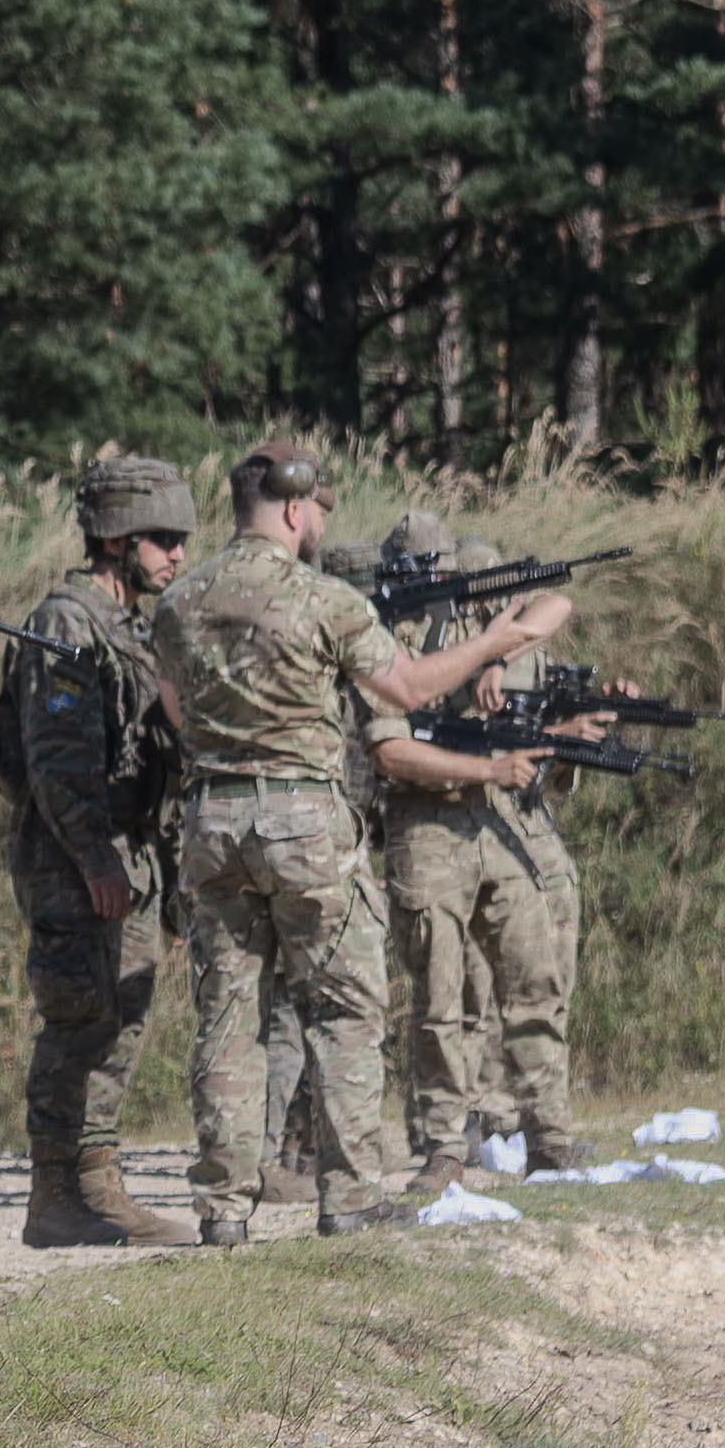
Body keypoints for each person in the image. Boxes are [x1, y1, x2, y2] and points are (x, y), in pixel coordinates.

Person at [156, 450, 564, 1244]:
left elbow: (173, 707)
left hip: (212, 820)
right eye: (321, 513)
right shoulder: (324, 598)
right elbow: (407, 690)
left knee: (228, 1015)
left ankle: (222, 1212)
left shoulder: (178, 600)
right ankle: (346, 1200)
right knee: (344, 1008)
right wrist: (493, 646)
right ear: (296, 509)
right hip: (305, 823)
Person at [0, 455, 195, 1248]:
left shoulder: (125, 624)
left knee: (122, 1016)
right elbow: (56, 754)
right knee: (78, 1014)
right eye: (163, 538)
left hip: (125, 850)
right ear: (117, 538)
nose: (177, 554)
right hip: (76, 855)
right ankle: (56, 1194)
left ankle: (97, 1182)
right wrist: (93, 856)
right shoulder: (66, 622)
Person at [374, 519, 592, 1186]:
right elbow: (391, 747)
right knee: (439, 1000)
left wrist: (495, 650)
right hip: (427, 826)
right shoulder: (379, 638)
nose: (436, 583)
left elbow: (556, 602)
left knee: (533, 981)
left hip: (493, 826)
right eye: (423, 571)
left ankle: (548, 1131)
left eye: (441, 570)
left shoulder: (471, 624)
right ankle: (444, 1143)